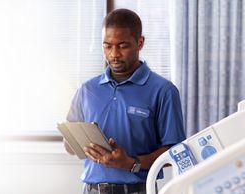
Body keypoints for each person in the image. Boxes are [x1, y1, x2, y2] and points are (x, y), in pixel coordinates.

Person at [63, 8, 186, 194]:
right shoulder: (87, 89)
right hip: (91, 190)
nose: (114, 54)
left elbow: (174, 153)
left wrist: (130, 163)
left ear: (140, 42)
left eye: (122, 46)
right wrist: (78, 141)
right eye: (107, 45)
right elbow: (70, 145)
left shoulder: (163, 91)